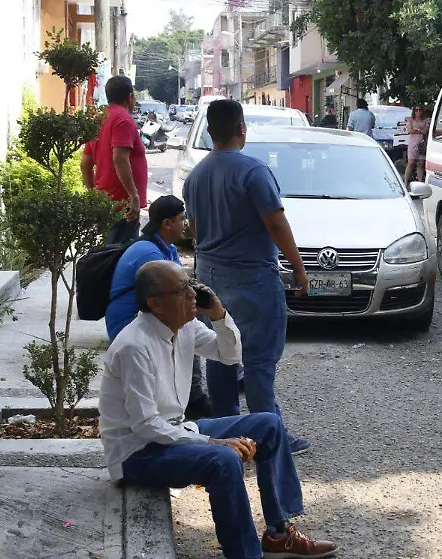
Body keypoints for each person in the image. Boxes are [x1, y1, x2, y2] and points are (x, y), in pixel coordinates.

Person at [99, 261, 338, 559]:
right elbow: (145, 425)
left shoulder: (184, 327)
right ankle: (245, 554)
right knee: (223, 459)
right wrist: (212, 442)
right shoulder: (134, 347)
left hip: (174, 431)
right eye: (182, 289)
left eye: (191, 284)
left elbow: (229, 354)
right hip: (137, 454)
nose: (193, 294)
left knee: (268, 424)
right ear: (156, 304)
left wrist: (219, 315)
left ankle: (279, 532)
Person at [182, 99, 312, 453]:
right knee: (257, 361)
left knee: (222, 355)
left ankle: (229, 435)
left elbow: (194, 230)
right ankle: (270, 436)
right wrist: (298, 268)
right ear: (242, 128)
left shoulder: (195, 177)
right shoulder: (253, 172)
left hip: (211, 277)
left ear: (210, 132)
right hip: (253, 279)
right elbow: (275, 222)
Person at [104, 195, 214, 419]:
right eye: (182, 219)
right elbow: (169, 298)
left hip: (145, 314)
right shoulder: (150, 254)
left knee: (191, 316)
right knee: (187, 321)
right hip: (128, 324)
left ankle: (190, 395)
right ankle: (193, 397)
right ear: (167, 224)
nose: (186, 224)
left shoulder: (166, 248)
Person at [93, 76, 149, 245]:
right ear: (130, 97)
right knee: (122, 257)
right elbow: (120, 158)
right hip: (122, 204)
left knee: (108, 255)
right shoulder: (123, 120)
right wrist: (133, 195)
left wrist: (92, 195)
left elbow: (85, 162)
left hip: (105, 200)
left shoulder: (99, 118)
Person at [403, 104, 431, 183]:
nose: (418, 112)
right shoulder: (410, 120)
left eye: (420, 110)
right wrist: (420, 130)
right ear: (414, 111)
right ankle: (405, 181)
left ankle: (420, 180)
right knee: (411, 163)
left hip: (421, 143)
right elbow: (410, 131)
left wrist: (417, 129)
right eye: (416, 110)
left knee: (420, 163)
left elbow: (425, 131)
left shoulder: (425, 120)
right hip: (413, 143)